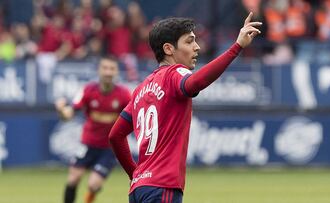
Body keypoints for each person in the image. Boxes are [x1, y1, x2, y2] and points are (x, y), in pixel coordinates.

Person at [109, 12, 261, 202]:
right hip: (162, 186)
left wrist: (136, 175)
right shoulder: (175, 73)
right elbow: (195, 83)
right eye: (189, 42)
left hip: (139, 190)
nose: (197, 47)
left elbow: (115, 135)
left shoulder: (141, 89)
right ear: (168, 49)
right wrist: (236, 47)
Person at [55, 56, 132, 203]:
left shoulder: (124, 94)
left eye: (112, 69)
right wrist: (60, 110)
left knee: (93, 184)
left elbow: (135, 116)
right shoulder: (88, 90)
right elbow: (68, 114)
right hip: (88, 144)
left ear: (116, 72)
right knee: (73, 178)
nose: (108, 72)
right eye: (105, 68)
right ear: (99, 70)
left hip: (110, 149)